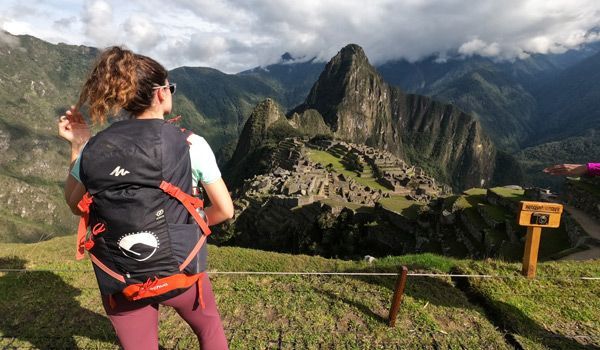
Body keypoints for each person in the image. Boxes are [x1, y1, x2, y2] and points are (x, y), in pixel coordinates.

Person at [58, 46, 233, 349]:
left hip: (122, 278)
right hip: (182, 268)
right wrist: (191, 224)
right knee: (209, 328)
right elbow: (224, 210)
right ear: (162, 93)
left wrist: (78, 145)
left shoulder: (94, 148)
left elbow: (75, 206)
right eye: (170, 87)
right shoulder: (191, 143)